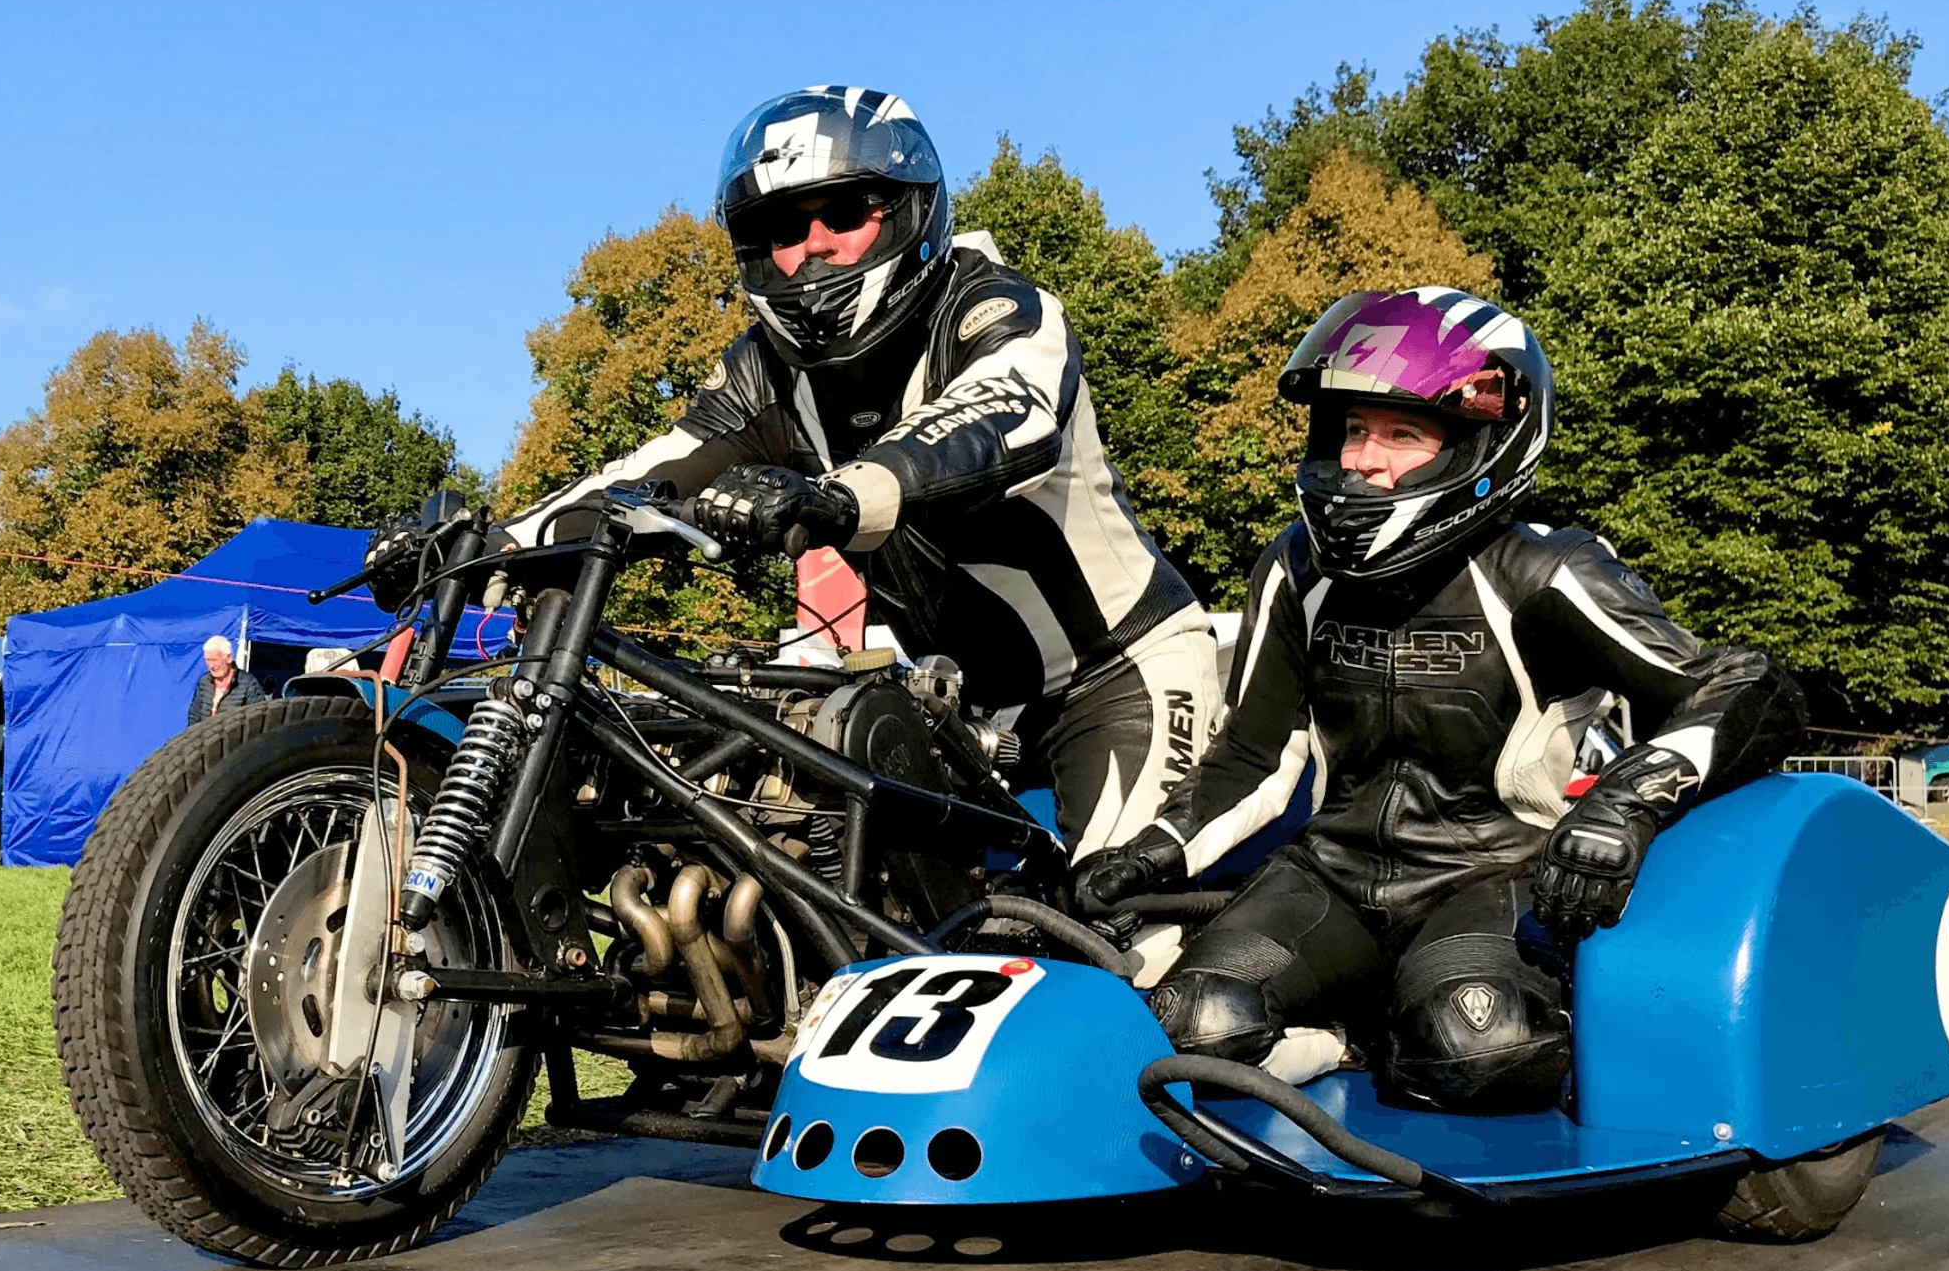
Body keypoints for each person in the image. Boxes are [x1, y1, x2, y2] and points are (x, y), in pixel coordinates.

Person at [385, 86, 1220, 860]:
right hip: (965, 714)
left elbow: (1006, 412)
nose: (809, 252)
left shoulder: (993, 304)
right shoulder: (769, 369)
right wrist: (497, 542)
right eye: (781, 231)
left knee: (1128, 935)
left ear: (906, 211)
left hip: (1118, 679)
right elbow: (655, 470)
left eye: (845, 213)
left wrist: (838, 495)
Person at [1071, 288, 1806, 1112]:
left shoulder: (1547, 572)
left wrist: (1624, 806)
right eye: (1353, 430)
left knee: (1477, 1045)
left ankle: (1389, 1030)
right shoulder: (1296, 568)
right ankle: (1353, 1039)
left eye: (1403, 434)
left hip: (1493, 876)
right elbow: (1252, 754)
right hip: (1329, 878)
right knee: (1190, 1021)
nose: (1362, 460)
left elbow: (1748, 686)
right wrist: (1154, 851)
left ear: (1481, 444)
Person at [187, 635, 270, 727]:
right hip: (205, 740)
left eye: (214, 660)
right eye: (207, 660)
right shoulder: (204, 681)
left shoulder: (248, 684)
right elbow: (194, 716)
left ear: (229, 658)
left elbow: (257, 720)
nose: (211, 666)